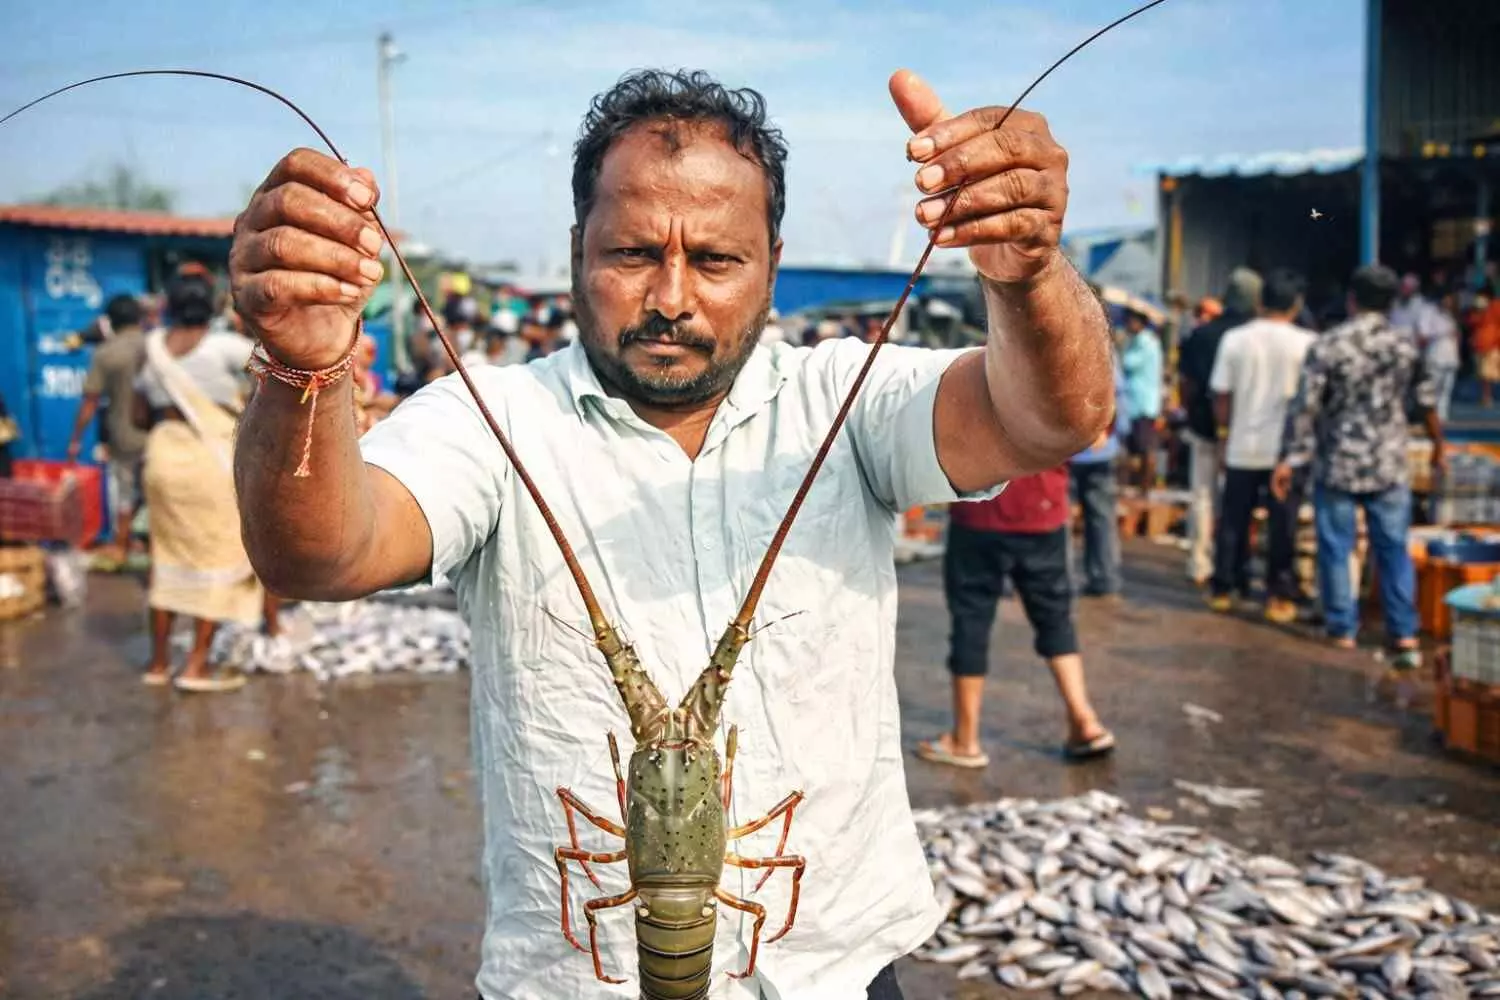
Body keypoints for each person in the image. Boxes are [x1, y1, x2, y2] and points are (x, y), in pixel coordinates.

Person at [228, 68, 1114, 1000]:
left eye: (719, 261)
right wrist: (303, 366)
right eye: (632, 253)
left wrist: (1028, 272)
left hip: (834, 974)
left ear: (773, 259)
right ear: (578, 249)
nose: (672, 298)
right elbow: (318, 554)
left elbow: (1054, 417)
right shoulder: (486, 417)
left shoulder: (849, 400)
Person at [1272, 265, 1446, 670]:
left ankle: (1343, 628)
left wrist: (1289, 458)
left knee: (1336, 547)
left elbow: (1305, 407)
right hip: (1388, 464)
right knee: (1393, 549)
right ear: (1391, 302)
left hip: (1338, 463)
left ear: (1353, 299)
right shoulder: (1405, 346)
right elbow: (1427, 402)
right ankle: (1403, 633)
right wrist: (1440, 446)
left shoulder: (1330, 344)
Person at [918, 464, 1115, 770]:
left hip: (977, 510)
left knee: (971, 621)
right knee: (1054, 617)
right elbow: (1094, 435)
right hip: (1042, 508)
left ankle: (965, 740)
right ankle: (1084, 720)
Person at [134, 268, 267, 692]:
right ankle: (195, 666)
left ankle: (157, 664)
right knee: (216, 555)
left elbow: (139, 414)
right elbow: (270, 380)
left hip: (162, 457)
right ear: (211, 306)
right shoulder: (226, 347)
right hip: (209, 459)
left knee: (167, 558)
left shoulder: (151, 349)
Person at [1206, 268, 1316, 621]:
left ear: (1259, 302)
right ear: (1296, 305)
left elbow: (1222, 397)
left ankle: (1225, 586)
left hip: (1243, 444)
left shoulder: (1235, 340)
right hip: (1286, 453)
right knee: (1282, 524)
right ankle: (1277, 594)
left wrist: (1224, 435)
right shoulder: (1307, 344)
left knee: (1234, 520)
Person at [1177, 268, 1263, 585]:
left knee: (1202, 495)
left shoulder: (1203, 334)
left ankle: (1200, 564)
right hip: (1244, 431)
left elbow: (1186, 382)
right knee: (1238, 500)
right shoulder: (1254, 338)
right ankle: (1236, 564)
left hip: (1203, 427)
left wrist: (1189, 411)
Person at [67, 293, 149, 565]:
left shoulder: (106, 353)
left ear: (111, 321)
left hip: (122, 436)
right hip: (158, 436)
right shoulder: (158, 345)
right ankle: (150, 545)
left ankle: (121, 545)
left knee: (123, 493)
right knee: (153, 491)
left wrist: (76, 438)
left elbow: (90, 402)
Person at [1068, 358, 1129, 598]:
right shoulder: (1106, 355)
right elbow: (1120, 403)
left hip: (1065, 454)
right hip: (1099, 452)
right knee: (1101, 517)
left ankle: (1057, 581)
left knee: (1061, 519)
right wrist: (1113, 437)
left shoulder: (1057, 351)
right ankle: (1104, 579)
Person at [1119, 308, 1163, 491]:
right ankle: (1136, 485)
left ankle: (1145, 487)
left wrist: (1119, 346)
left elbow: (1128, 363)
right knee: (1134, 447)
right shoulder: (1137, 341)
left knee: (1145, 448)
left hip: (1143, 403)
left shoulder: (1147, 342)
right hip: (1133, 403)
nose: (1128, 324)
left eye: (1131, 320)